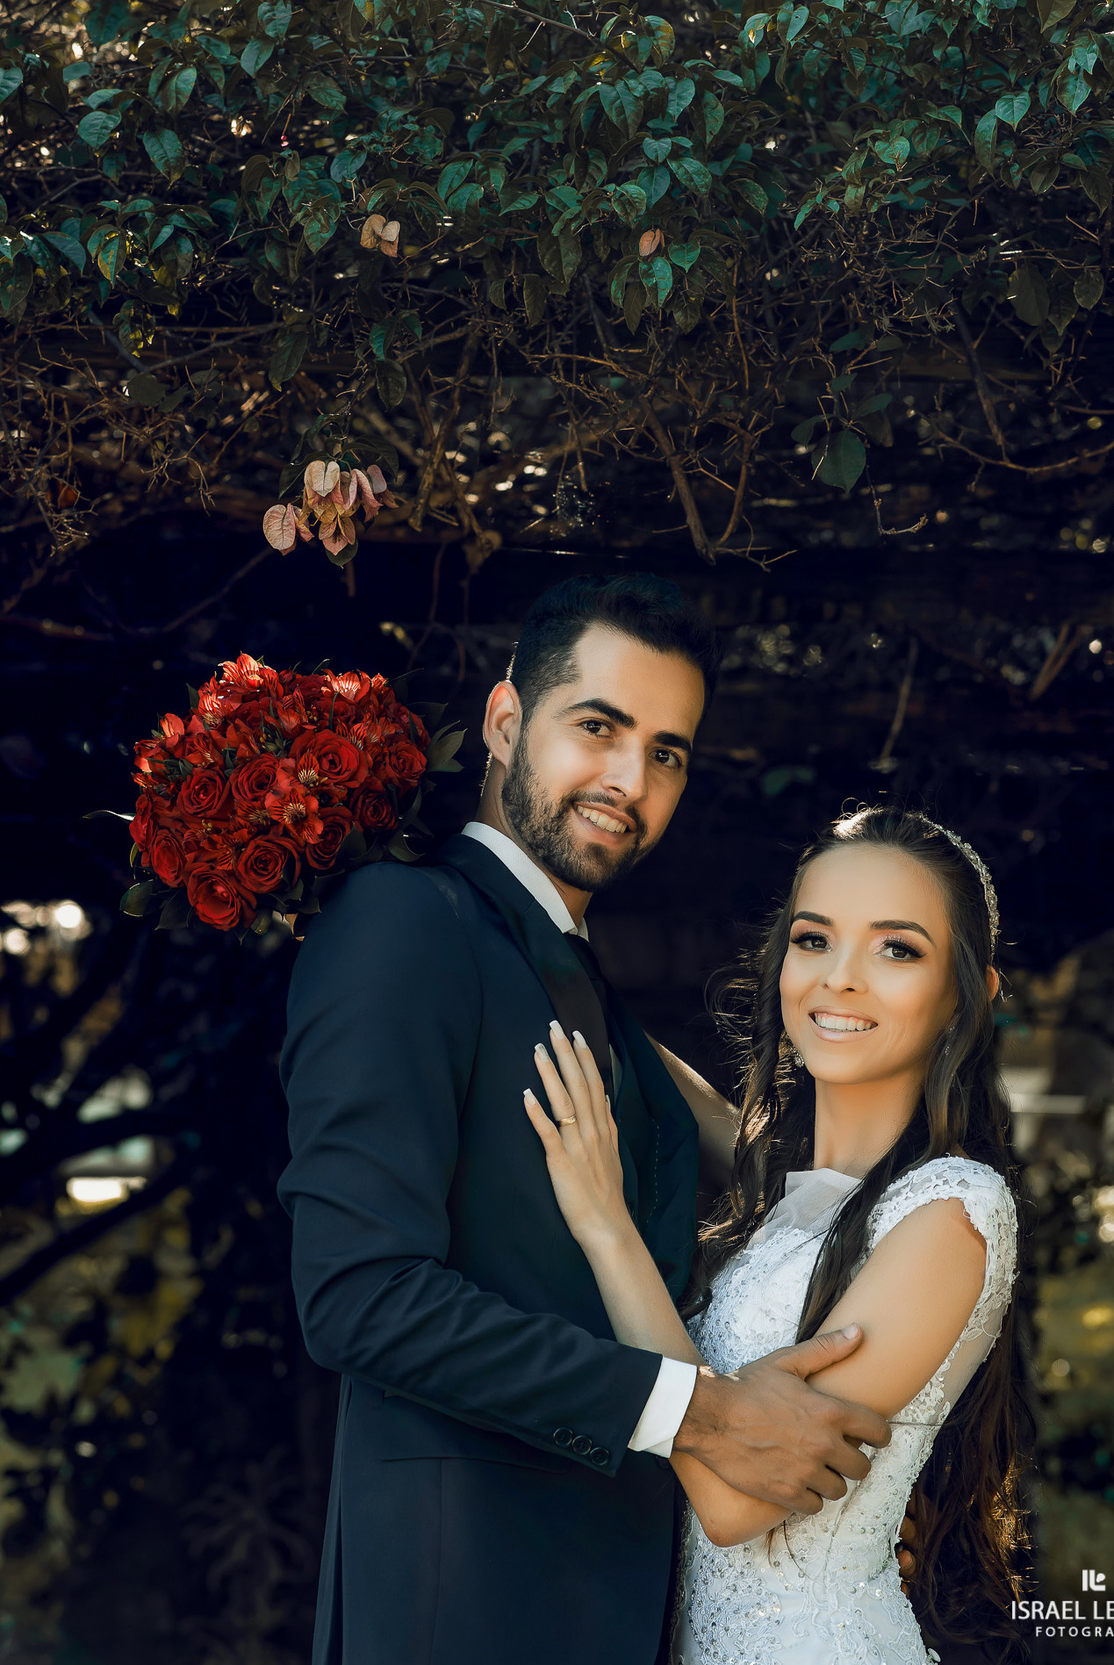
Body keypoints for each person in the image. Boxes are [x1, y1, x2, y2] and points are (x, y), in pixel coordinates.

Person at [276, 576, 896, 1665]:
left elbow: (761, 1168)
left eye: (668, 752)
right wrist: (700, 1414)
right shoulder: (406, 923)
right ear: (507, 720)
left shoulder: (567, 970)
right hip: (463, 1605)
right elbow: (358, 1296)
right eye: (599, 727)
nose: (630, 780)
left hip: (611, 1600)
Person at [524, 805, 1033, 1665]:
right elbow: (681, 1094)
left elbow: (735, 1507)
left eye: (897, 948)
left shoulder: (952, 1215)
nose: (840, 978)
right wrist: (513, 950)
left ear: (967, 996)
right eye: (813, 939)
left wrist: (608, 1227)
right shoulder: (798, 1195)